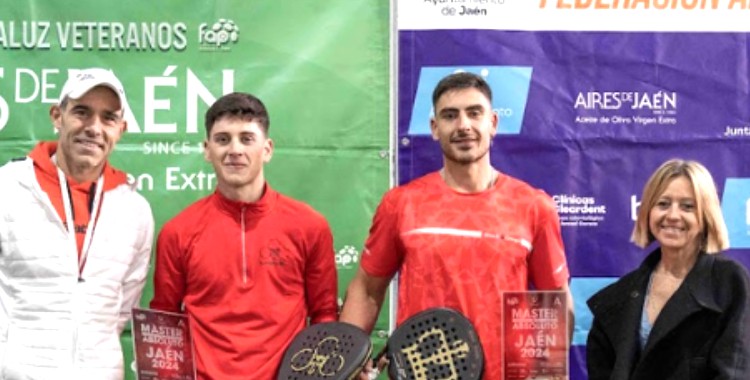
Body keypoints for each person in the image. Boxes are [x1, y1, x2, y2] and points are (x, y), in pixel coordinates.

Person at [339, 72, 574, 380]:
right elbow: (368, 290)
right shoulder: (401, 203)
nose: (464, 125)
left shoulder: (533, 205)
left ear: (492, 123)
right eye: (450, 116)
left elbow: (552, 297)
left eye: (474, 113)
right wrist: (347, 359)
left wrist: (546, 371)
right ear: (435, 128)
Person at [149, 92, 338, 379]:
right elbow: (164, 321)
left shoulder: (310, 226)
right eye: (223, 139)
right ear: (207, 149)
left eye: (247, 138)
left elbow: (324, 315)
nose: (234, 149)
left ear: (267, 149)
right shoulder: (178, 232)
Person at [0, 68, 154, 379]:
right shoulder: (7, 188)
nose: (94, 128)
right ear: (58, 116)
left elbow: (121, 310)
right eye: (82, 112)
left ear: (121, 129)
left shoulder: (135, 210)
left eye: (108, 118)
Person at [586, 159, 750, 380]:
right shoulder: (618, 297)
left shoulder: (730, 283)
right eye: (663, 204)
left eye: (687, 206)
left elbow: (735, 372)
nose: (673, 215)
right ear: (647, 211)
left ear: (705, 216)